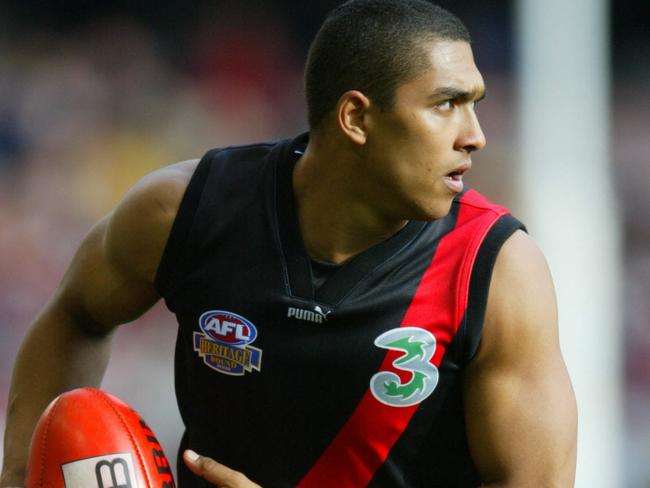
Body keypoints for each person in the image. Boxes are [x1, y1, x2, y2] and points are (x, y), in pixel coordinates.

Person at [1, 1, 577, 487]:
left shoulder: (496, 270)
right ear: (356, 116)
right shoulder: (187, 211)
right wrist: (22, 471)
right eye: (446, 104)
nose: (475, 136)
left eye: (475, 104)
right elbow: (75, 314)